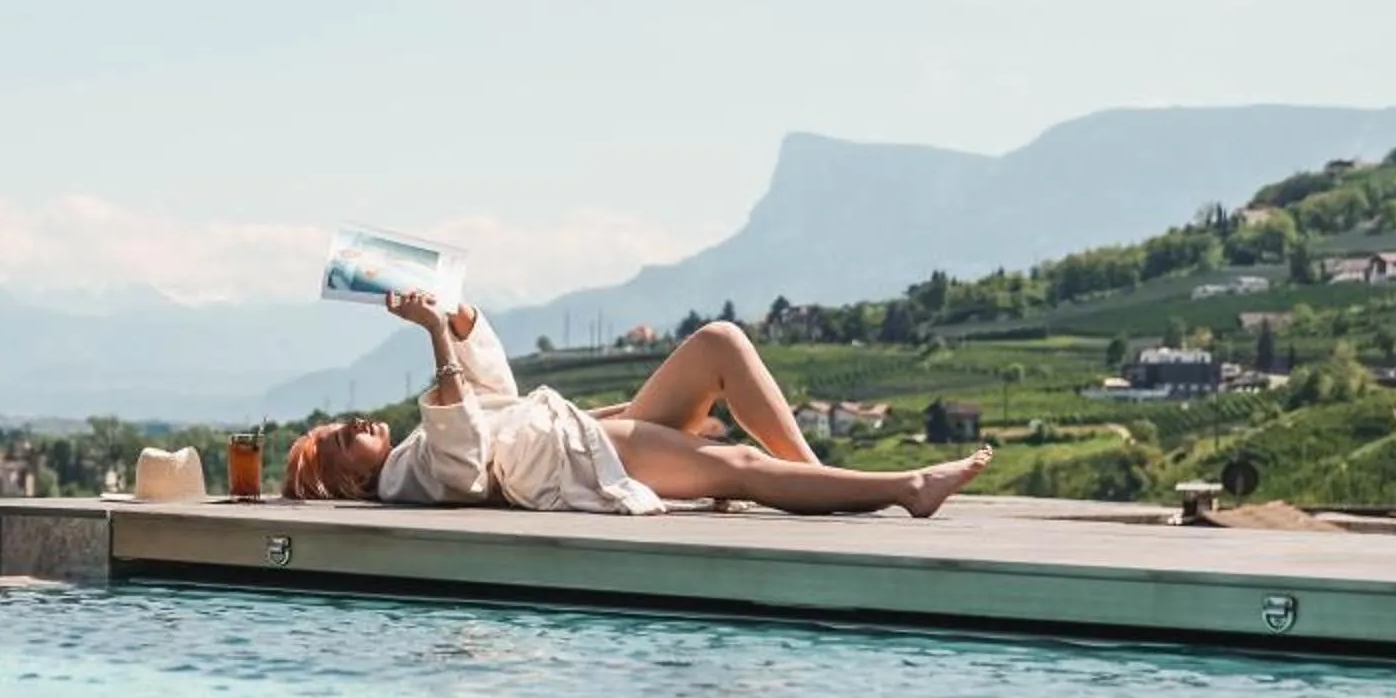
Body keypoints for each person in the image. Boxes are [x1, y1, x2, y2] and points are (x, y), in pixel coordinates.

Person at [283, 292, 992, 518]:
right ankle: (906, 488)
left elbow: (492, 393)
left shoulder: (410, 450)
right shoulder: (405, 480)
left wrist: (461, 320)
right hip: (582, 461)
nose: (357, 425)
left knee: (719, 341)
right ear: (351, 480)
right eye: (346, 439)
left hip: (587, 431)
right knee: (739, 464)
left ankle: (820, 483)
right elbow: (467, 466)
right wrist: (437, 337)